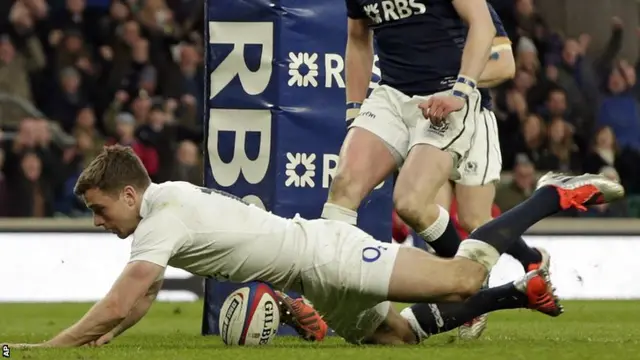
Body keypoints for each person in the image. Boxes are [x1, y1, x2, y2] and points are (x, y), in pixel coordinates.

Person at [4, 146, 624, 347]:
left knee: (460, 279)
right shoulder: (162, 207)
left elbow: (127, 298)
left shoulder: (160, 212)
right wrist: (106, 334)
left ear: (129, 196)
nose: (94, 220)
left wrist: (49, 349)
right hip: (311, 278)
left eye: (98, 208)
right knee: (395, 338)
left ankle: (548, 193)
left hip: (328, 253)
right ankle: (516, 291)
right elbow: (135, 302)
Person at [323, 0, 546, 340]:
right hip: (396, 95)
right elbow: (357, 37)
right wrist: (355, 111)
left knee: (474, 220)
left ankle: (524, 263)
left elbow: (503, 64)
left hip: (461, 104)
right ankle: (329, 297)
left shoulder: (473, 11)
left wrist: (459, 87)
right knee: (350, 186)